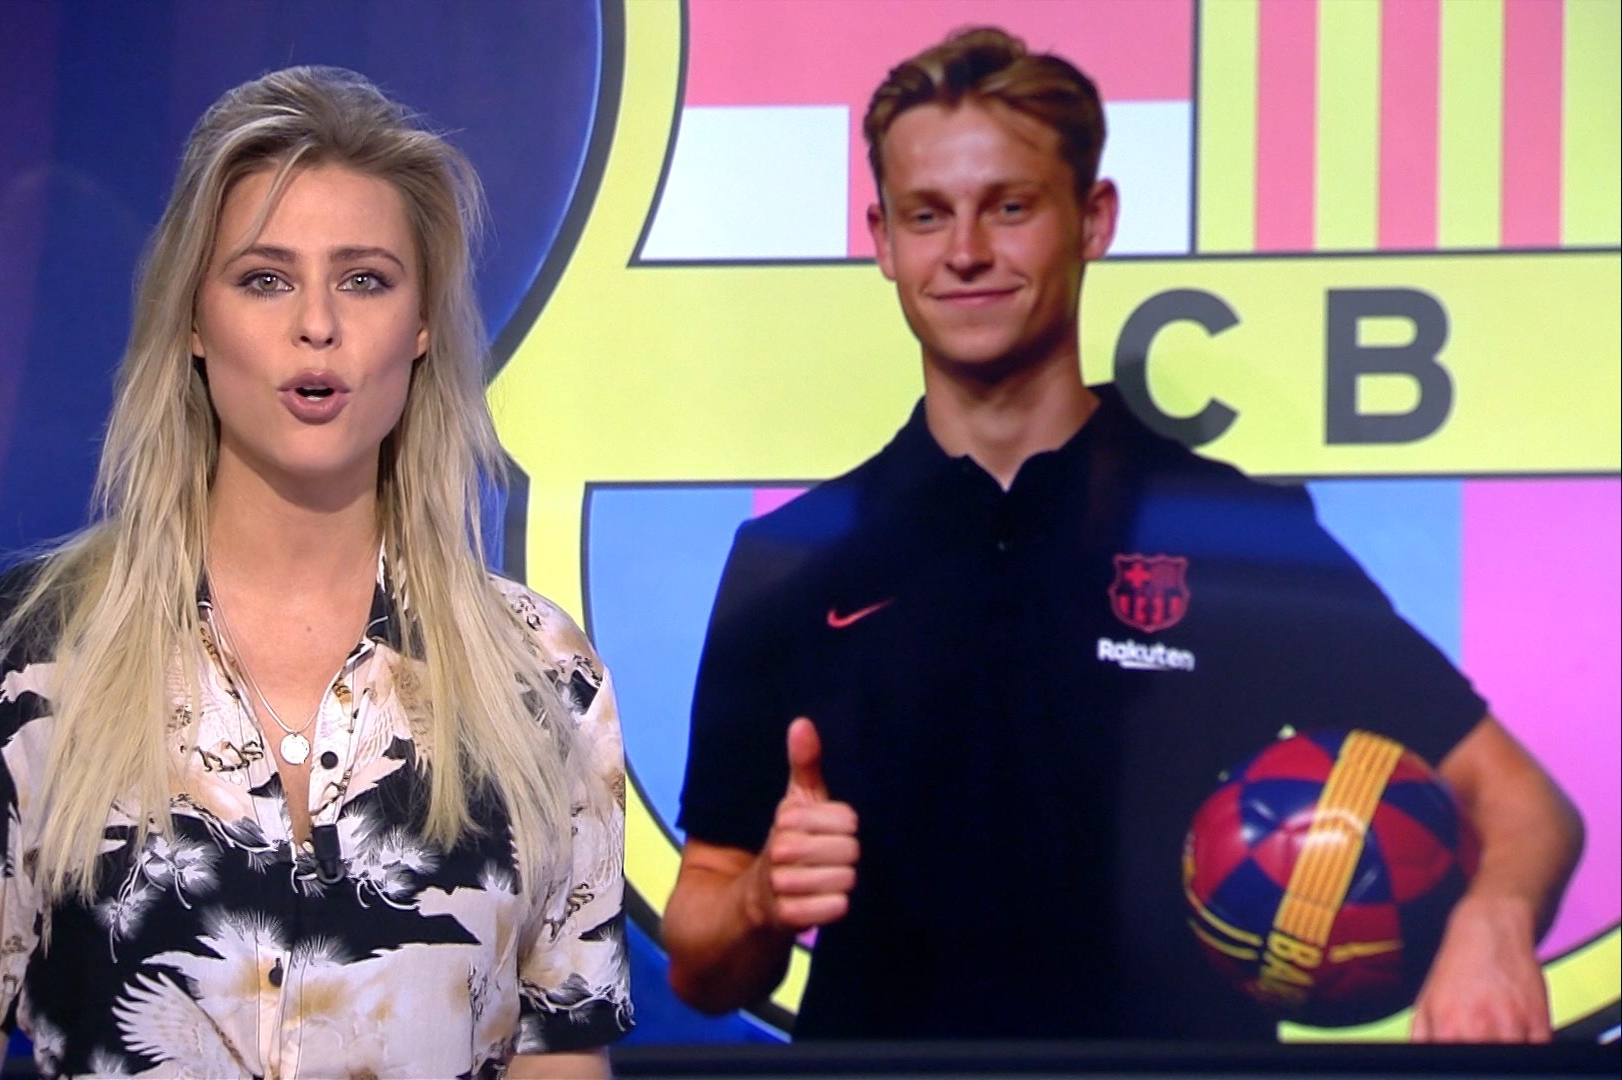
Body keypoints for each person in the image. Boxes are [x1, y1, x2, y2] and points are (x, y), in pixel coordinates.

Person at [661, 27, 1583, 1042]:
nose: (965, 251)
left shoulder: (1232, 533)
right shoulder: (795, 559)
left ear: (1092, 219)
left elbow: (1524, 804)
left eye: (1010, 207)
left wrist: (1492, 921)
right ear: (883, 239)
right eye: (928, 214)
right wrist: (760, 898)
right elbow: (702, 959)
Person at [0, 66, 632, 1078]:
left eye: (365, 279)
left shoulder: (542, 677)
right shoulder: (25, 659)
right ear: (194, 318)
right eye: (265, 278)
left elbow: (558, 1051)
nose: (317, 323)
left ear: (422, 325)